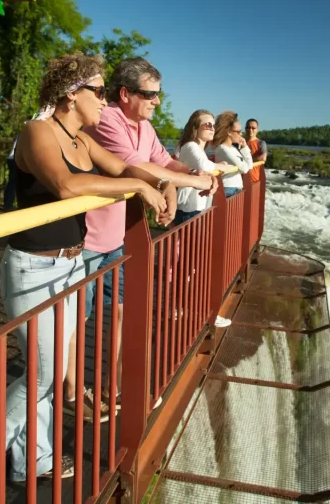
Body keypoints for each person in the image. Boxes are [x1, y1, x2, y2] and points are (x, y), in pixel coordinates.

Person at [0, 53, 170, 482]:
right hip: (32, 268)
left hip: (73, 264)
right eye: (97, 92)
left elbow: (125, 167)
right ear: (69, 95)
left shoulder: (83, 138)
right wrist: (136, 186)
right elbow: (66, 185)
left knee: (48, 372)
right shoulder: (37, 131)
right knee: (46, 373)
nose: (104, 100)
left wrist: (162, 183)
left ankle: (31, 460)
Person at [78, 58, 220, 412]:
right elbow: (137, 167)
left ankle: (114, 387)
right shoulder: (108, 119)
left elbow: (165, 162)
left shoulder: (144, 127)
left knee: (123, 312)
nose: (157, 101)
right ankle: (74, 393)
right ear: (125, 94)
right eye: (150, 94)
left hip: (116, 237)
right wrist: (193, 181)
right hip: (85, 239)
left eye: (159, 94)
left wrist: (188, 174)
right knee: (76, 323)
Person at [173, 110, 231, 226]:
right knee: (190, 244)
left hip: (196, 207)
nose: (212, 129)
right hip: (188, 209)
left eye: (213, 126)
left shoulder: (198, 149)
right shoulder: (190, 145)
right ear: (195, 128)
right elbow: (204, 165)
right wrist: (223, 166)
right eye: (208, 125)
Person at [209, 111, 253, 198]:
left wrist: (244, 147)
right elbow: (244, 169)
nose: (241, 134)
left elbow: (250, 166)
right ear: (229, 132)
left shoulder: (233, 148)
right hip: (228, 190)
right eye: (238, 131)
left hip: (235, 189)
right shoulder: (223, 149)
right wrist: (244, 164)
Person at [244, 118, 268, 183]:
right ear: (245, 129)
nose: (250, 130)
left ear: (257, 130)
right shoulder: (240, 142)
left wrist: (246, 160)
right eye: (248, 127)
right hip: (241, 180)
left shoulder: (261, 143)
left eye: (253, 128)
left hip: (255, 179)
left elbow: (263, 157)